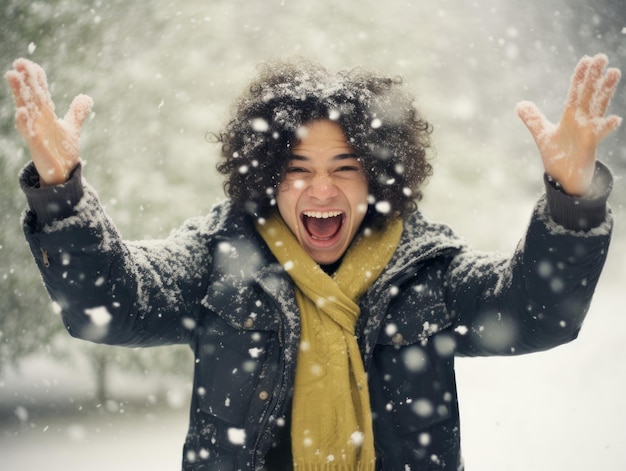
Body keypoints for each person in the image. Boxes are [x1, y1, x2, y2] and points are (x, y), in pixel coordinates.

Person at [5, 53, 621, 471]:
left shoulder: (426, 268)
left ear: (380, 178)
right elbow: (107, 309)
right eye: (297, 171)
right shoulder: (218, 259)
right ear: (268, 177)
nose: (320, 192)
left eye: (344, 170)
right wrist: (62, 192)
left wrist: (571, 201)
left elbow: (538, 314)